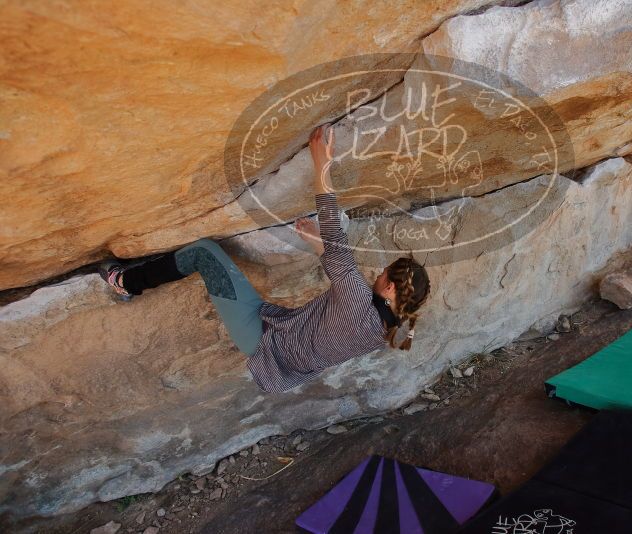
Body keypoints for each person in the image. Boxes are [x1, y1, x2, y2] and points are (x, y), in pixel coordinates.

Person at [97, 123, 431, 393]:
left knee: (203, 253)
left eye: (384, 274)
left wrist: (321, 161)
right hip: (283, 359)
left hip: (262, 339)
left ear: (389, 290)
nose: (377, 275)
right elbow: (338, 274)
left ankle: (125, 283)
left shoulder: (359, 300)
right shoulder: (389, 331)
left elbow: (332, 226)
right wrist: (317, 245)